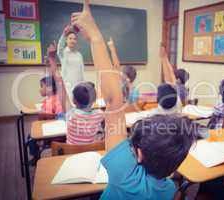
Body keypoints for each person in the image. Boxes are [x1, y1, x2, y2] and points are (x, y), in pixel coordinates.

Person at [70, 1, 198, 199]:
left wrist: (95, 37)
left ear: (138, 155)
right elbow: (116, 101)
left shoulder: (126, 177)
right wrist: (94, 37)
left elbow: (113, 101)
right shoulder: (170, 189)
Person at [48, 42, 104, 144]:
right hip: (90, 155)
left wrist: (52, 58)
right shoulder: (100, 115)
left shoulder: (70, 115)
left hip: (71, 156)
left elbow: (59, 82)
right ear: (94, 99)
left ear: (73, 100)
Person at [57, 24, 85, 104]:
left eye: (74, 39)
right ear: (66, 40)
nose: (72, 40)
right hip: (67, 87)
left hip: (79, 86)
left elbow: (81, 71)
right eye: (70, 38)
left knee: (79, 107)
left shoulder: (79, 55)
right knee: (68, 108)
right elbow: (60, 46)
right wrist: (63, 34)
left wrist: (83, 85)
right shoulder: (63, 53)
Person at [107, 38, 140, 103]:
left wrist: (112, 50)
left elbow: (117, 66)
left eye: (122, 73)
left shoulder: (133, 91)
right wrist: (112, 50)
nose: (121, 74)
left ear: (127, 78)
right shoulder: (123, 85)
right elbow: (116, 66)